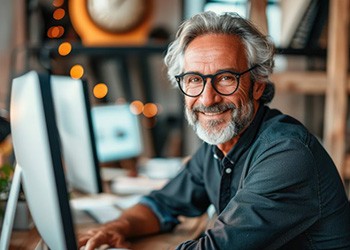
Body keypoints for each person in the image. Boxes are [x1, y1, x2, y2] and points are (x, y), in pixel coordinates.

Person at [79, 11, 350, 249]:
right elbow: (162, 203)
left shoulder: (288, 156)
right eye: (195, 80)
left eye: (225, 78)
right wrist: (117, 227)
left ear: (257, 85)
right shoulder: (219, 147)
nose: (208, 99)